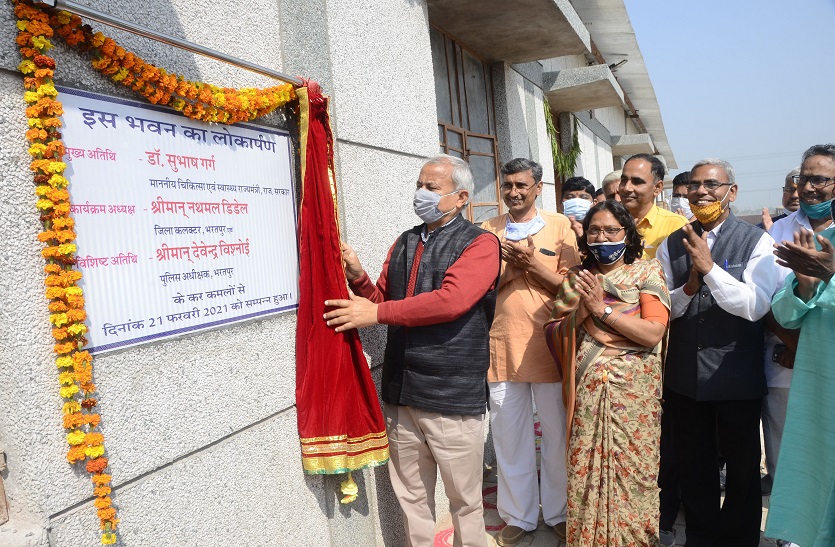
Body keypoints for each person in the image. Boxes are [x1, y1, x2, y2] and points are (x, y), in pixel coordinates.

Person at [324, 154, 501, 547]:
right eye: (419, 185)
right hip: (402, 394)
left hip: (451, 396)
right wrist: (358, 276)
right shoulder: (405, 241)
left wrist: (376, 311)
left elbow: (451, 301)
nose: (421, 193)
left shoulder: (481, 243)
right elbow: (384, 301)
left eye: (431, 187)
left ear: (461, 197)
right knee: (412, 500)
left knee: (465, 502)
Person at [656, 158, 780, 547]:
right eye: (694, 185)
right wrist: (690, 287)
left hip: (735, 374)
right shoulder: (672, 243)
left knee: (742, 468)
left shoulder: (757, 241)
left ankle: (739, 538)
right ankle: (701, 536)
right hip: (685, 377)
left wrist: (711, 270)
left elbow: (756, 305)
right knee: (695, 466)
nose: (702, 192)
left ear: (732, 192)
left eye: (712, 185)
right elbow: (663, 307)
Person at [544, 200, 671, 547]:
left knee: (634, 472)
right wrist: (583, 312)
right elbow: (555, 331)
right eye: (595, 230)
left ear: (627, 235)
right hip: (589, 389)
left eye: (612, 230)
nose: (602, 237)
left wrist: (601, 310)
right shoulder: (577, 279)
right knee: (587, 469)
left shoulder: (647, 272)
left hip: (634, 396)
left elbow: (652, 334)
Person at [480, 158, 580, 546]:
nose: (514, 192)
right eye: (507, 185)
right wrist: (510, 269)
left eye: (522, 185)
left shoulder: (559, 227)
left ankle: (558, 512)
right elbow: (478, 288)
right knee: (509, 437)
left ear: (538, 188)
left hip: (551, 345)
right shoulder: (487, 231)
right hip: (503, 345)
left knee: (556, 436)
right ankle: (518, 515)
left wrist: (533, 265)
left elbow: (572, 289)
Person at [765, 144, 835, 546]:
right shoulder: (796, 235)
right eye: (803, 179)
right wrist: (805, 287)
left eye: (819, 179)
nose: (808, 188)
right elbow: (782, 311)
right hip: (812, 375)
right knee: (808, 464)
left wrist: (830, 275)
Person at [619, 154, 688, 259]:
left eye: (637, 182)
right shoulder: (605, 222)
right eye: (624, 180)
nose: (627, 188)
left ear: (657, 188)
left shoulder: (676, 225)